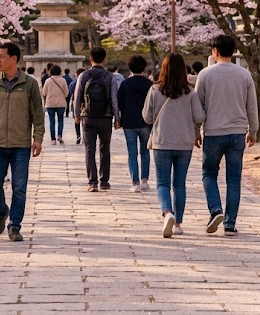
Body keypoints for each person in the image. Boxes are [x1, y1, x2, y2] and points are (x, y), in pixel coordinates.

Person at [0, 42, 45, 242]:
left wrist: (37, 139)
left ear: (14, 59)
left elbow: (37, 115)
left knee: (19, 187)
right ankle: (1, 210)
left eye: (1, 56)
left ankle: (14, 226)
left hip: (20, 145)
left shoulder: (30, 84)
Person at [195, 35, 258, 236]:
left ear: (215, 51)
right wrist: (253, 130)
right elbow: (252, 105)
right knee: (233, 179)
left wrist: (197, 129)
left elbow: (198, 106)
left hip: (213, 132)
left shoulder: (205, 75)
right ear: (233, 51)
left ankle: (215, 210)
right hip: (237, 133)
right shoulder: (244, 74)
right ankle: (230, 223)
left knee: (209, 174)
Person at [142, 53, 206, 238]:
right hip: (184, 143)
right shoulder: (190, 92)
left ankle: (167, 212)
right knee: (179, 184)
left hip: (162, 141)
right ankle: (177, 223)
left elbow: (147, 116)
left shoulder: (155, 90)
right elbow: (200, 117)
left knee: (162, 182)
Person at [73, 46, 119, 191]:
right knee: (105, 149)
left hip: (88, 117)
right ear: (104, 60)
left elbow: (77, 97)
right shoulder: (110, 76)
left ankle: (92, 182)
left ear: (90, 59)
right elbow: (114, 99)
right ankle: (104, 181)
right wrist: (117, 117)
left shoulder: (84, 76)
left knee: (89, 149)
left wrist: (77, 115)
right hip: (105, 117)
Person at [118, 55, 153, 192]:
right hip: (146, 122)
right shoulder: (149, 84)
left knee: (132, 153)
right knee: (145, 151)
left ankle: (135, 182)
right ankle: (145, 180)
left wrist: (118, 119)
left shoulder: (125, 84)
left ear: (129, 68)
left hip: (129, 122)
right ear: (144, 68)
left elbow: (119, 103)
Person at [42, 65, 69, 145]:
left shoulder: (48, 81)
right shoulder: (63, 80)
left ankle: (53, 139)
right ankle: (59, 135)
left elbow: (44, 93)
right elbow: (66, 93)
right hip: (61, 103)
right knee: (60, 120)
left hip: (50, 104)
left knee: (52, 121)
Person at [68, 68, 85, 143]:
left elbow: (71, 93)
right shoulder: (87, 81)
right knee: (85, 121)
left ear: (76, 74)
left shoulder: (73, 83)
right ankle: (84, 136)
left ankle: (78, 135)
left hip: (75, 103)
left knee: (76, 120)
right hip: (85, 104)